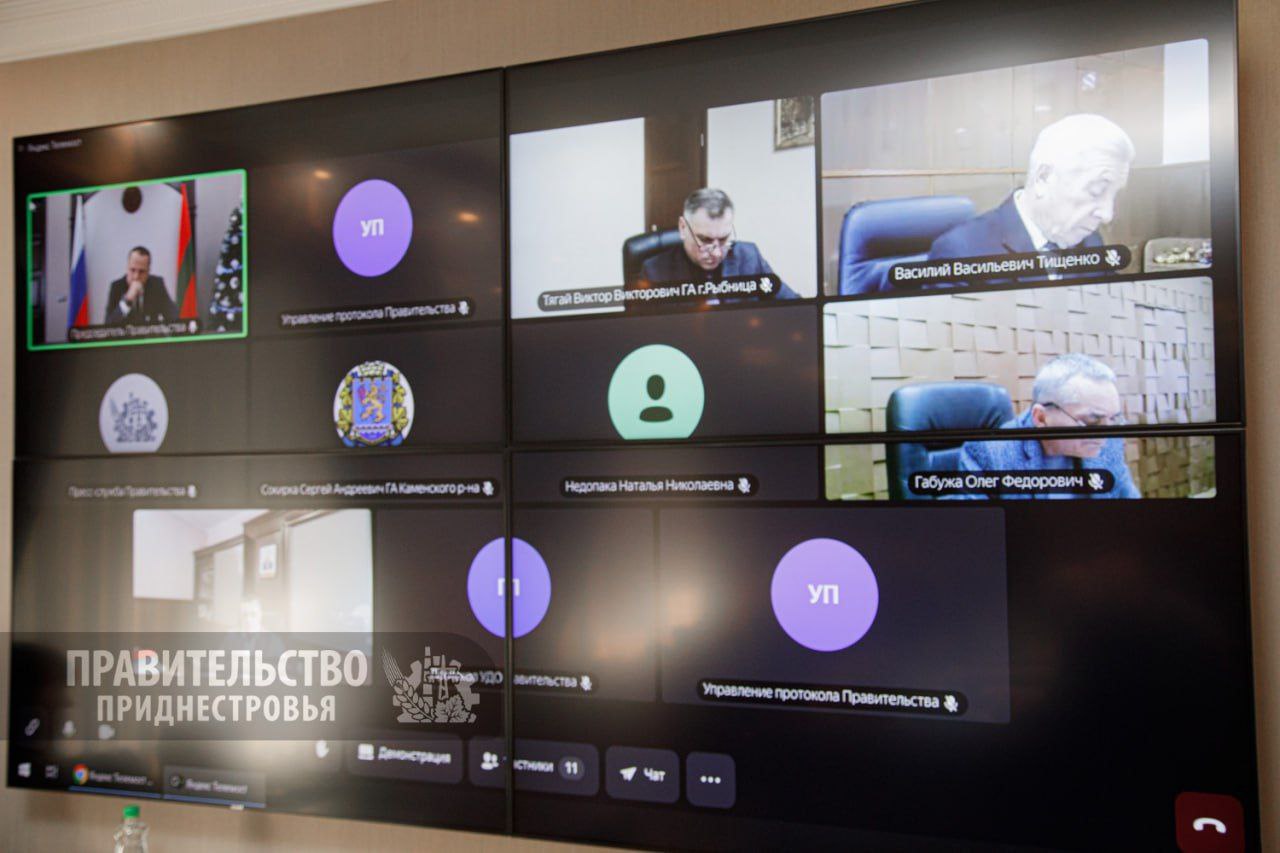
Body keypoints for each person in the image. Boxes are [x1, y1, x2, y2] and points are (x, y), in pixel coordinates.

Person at [926, 114, 1135, 283]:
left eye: (1114, 194)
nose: (1107, 215)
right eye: (1096, 191)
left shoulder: (1090, 241)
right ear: (1043, 178)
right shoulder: (961, 252)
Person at [950, 353, 1140, 499]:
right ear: (1041, 418)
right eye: (1092, 421)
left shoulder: (1110, 442)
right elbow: (979, 530)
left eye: (1114, 419)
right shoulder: (987, 454)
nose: (1105, 434)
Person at [638, 188, 799, 299]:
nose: (716, 253)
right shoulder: (654, 272)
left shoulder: (749, 256)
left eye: (723, 239)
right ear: (683, 227)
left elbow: (792, 306)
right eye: (705, 240)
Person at [104, 246, 178, 326]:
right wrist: (127, 300)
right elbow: (108, 325)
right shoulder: (116, 287)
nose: (136, 276)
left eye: (141, 271)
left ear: (148, 271)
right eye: (132, 270)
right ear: (127, 268)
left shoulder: (157, 284)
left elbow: (174, 316)